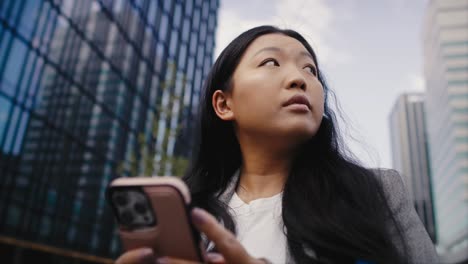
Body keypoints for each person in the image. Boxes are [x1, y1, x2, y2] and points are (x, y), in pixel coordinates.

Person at [116, 25, 439, 264]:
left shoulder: (378, 192)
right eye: (271, 63)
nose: (300, 78)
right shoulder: (189, 215)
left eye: (310, 69)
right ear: (224, 104)